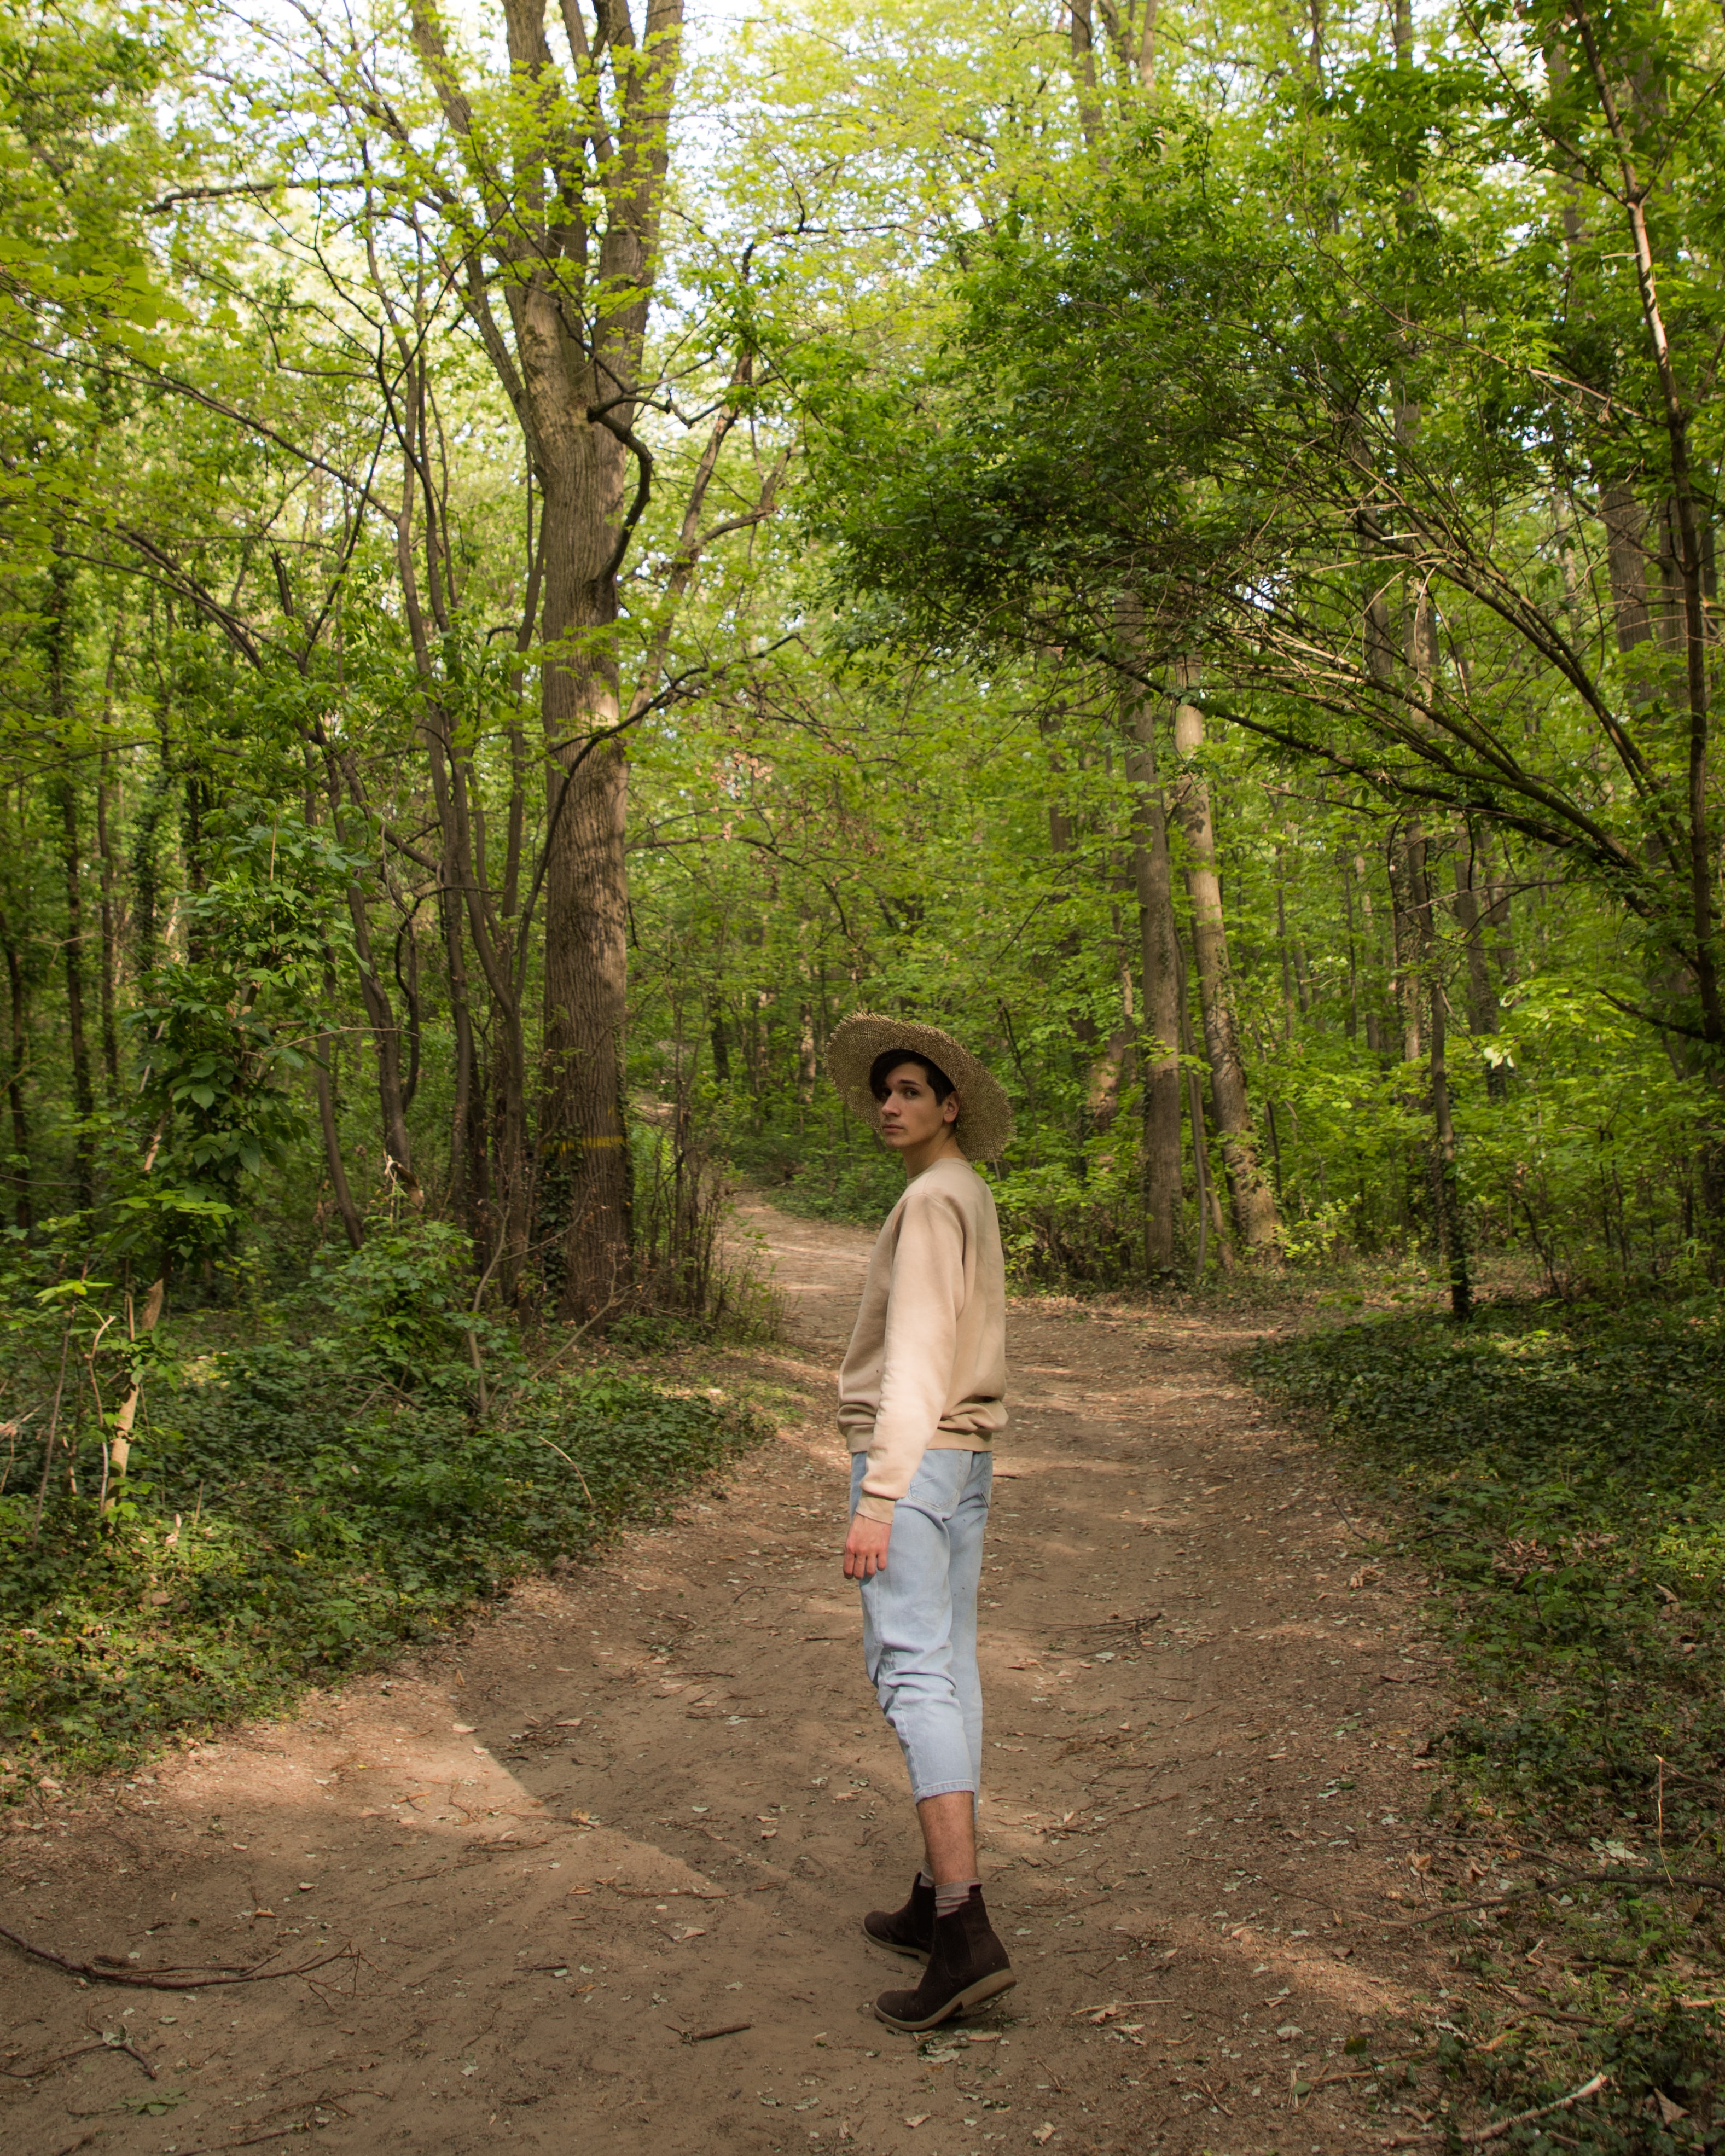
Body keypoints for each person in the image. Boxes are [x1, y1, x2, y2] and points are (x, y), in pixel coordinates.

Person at [826, 1013, 1017, 2032]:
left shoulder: (934, 1198)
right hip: (965, 1460)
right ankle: (933, 1893)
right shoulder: (962, 1192)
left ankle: (963, 1927)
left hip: (920, 1461)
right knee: (951, 1664)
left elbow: (916, 1354)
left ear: (950, 1106)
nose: (889, 1105)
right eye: (883, 1091)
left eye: (910, 1091)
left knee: (911, 1670)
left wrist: (881, 1492)